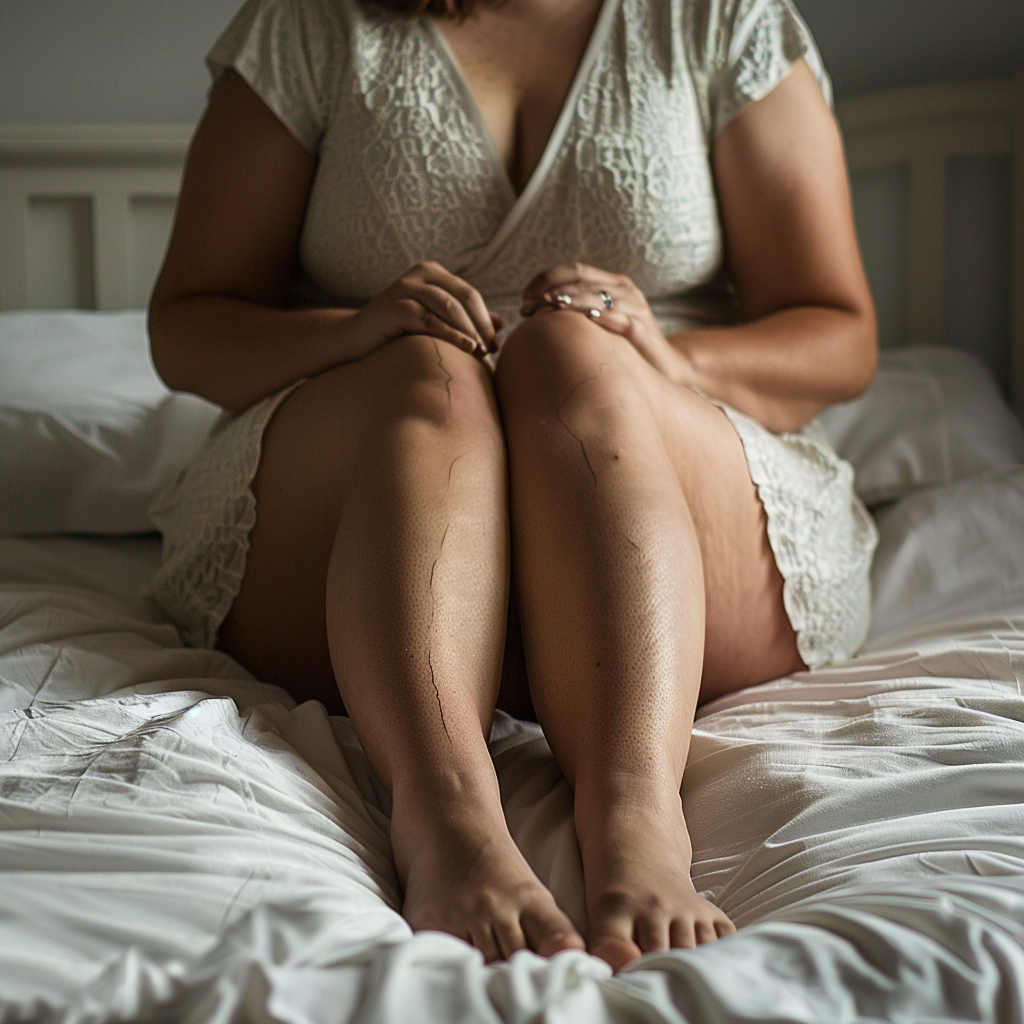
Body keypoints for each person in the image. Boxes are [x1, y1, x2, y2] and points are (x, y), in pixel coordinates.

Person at [147, 0, 878, 972]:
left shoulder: (713, 18)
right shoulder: (316, 24)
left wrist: (663, 352)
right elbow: (187, 324)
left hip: (650, 455)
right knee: (433, 371)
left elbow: (837, 330)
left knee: (568, 351)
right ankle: (445, 810)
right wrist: (352, 330)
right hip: (375, 490)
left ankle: (635, 805)